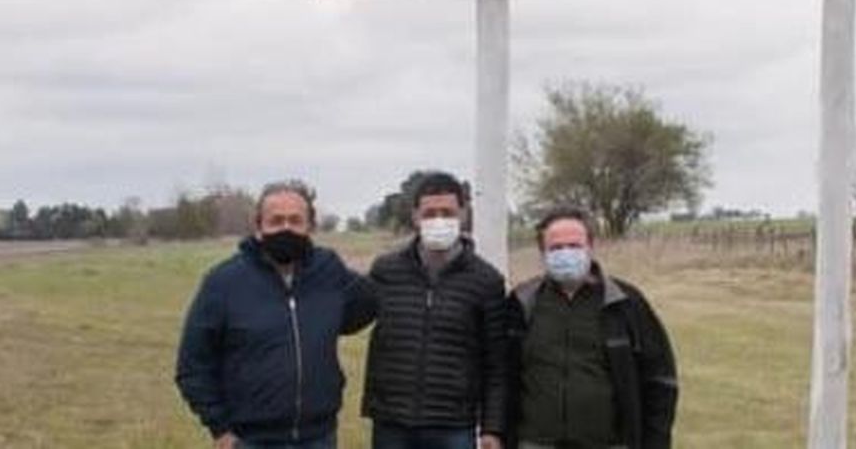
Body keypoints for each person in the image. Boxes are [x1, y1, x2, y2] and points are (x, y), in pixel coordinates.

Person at [176, 180, 377, 448]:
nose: (286, 228)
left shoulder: (328, 270)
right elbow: (192, 364)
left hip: (319, 437)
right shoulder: (223, 282)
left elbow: (366, 305)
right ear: (259, 227)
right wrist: (219, 428)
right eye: (276, 221)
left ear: (310, 227)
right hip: (251, 440)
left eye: (295, 221)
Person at [506, 206, 677, 449]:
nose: (566, 253)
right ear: (542, 253)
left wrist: (656, 442)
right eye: (556, 248)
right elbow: (503, 377)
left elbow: (660, 381)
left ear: (591, 247)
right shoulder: (521, 303)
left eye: (574, 246)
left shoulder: (625, 303)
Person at [361, 171, 507, 449]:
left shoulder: (486, 280)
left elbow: (496, 364)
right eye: (430, 213)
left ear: (463, 214)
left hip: (453, 425)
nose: (438, 220)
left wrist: (492, 428)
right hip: (392, 423)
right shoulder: (385, 271)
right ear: (415, 216)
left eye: (447, 212)